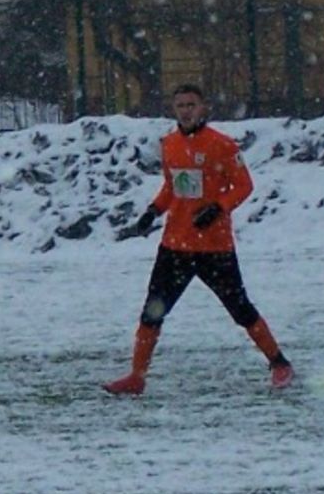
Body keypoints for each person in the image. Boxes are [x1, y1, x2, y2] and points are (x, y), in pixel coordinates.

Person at [106, 83, 292, 395]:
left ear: (204, 107)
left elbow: (244, 185)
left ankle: (280, 363)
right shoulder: (169, 144)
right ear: (173, 109)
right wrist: (153, 210)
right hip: (175, 247)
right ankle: (136, 377)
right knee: (152, 313)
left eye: (192, 104)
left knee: (241, 309)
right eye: (180, 105)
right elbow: (172, 187)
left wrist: (218, 207)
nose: (186, 110)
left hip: (214, 247)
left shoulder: (222, 145)